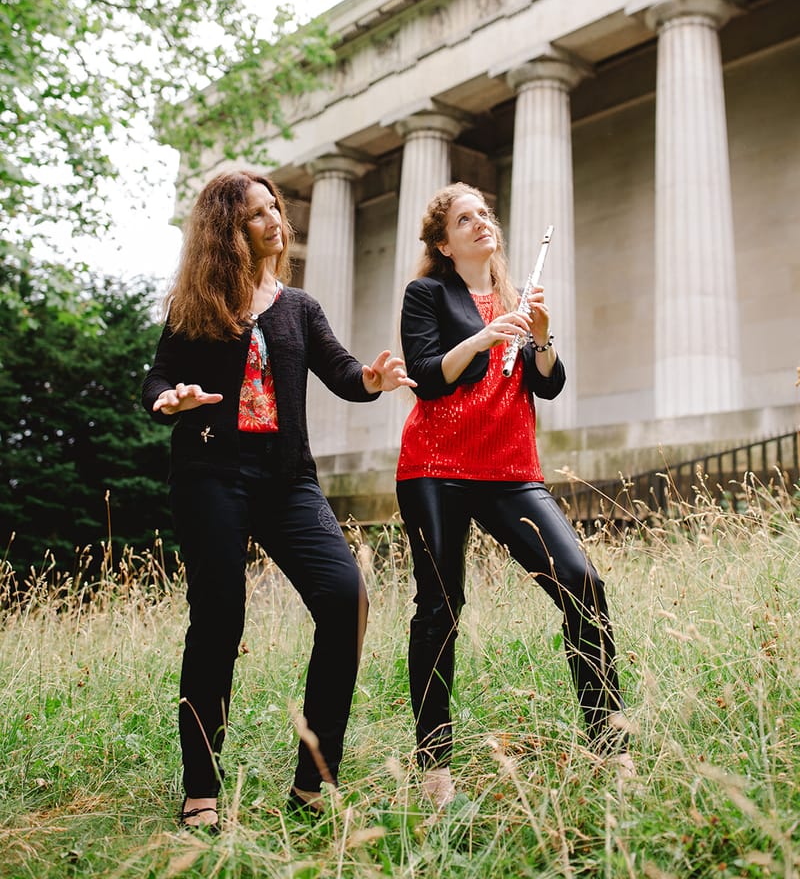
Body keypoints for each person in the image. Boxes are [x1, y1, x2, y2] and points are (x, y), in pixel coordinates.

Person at [142, 168, 415, 832]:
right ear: (226, 231)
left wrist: (373, 379)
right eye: (257, 214)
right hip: (211, 474)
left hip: (289, 480)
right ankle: (201, 790)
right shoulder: (196, 305)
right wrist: (169, 398)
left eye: (275, 208)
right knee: (219, 621)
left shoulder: (300, 307)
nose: (275, 222)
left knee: (346, 599)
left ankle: (313, 783)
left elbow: (342, 372)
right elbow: (158, 377)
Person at [395, 182, 632, 809]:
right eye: (463, 219)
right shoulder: (427, 294)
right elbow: (425, 377)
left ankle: (609, 742)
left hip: (509, 470)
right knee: (440, 608)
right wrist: (483, 337)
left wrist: (542, 337)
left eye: (484, 214)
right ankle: (434, 764)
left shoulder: (515, 299)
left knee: (582, 584)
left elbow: (546, 385)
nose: (481, 223)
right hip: (437, 466)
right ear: (444, 243)